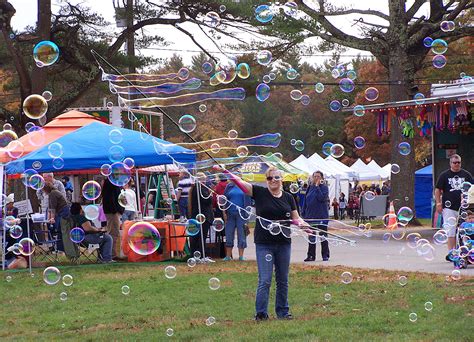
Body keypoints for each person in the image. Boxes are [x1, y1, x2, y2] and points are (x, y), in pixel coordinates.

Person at [218, 165, 308, 321]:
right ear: (266, 180)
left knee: (282, 279)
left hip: (283, 242)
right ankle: (261, 314)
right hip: (264, 243)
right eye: (269, 178)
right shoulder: (259, 192)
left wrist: (303, 224)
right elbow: (241, 183)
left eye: (276, 177)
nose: (273, 180)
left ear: (282, 179)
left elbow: (295, 217)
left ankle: (283, 312)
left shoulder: (288, 197)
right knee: (265, 279)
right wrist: (226, 172)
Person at [434, 154, 473, 260]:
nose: (456, 164)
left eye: (458, 162)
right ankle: (451, 253)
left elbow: (471, 189)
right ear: (450, 163)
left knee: (465, 229)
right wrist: (438, 203)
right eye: (454, 162)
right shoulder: (444, 175)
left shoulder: (466, 175)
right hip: (449, 207)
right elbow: (438, 189)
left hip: (464, 207)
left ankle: (465, 251)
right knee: (450, 231)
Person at [302, 171, 330, 262]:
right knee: (311, 237)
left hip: (321, 216)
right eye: (314, 176)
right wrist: (303, 212)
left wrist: (318, 187)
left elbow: (321, 198)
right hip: (311, 216)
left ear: (322, 178)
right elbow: (306, 201)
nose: (316, 178)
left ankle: (325, 255)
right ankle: (311, 255)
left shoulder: (324, 188)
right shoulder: (310, 187)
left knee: (323, 236)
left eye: (318, 176)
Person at [222, 180, 251, 261]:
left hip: (242, 214)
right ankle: (228, 256)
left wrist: (247, 216)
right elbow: (224, 200)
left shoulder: (245, 186)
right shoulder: (229, 186)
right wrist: (224, 212)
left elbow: (249, 201)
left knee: (242, 235)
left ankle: (241, 256)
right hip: (230, 214)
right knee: (228, 234)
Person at [43, 183, 73, 255]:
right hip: (62, 212)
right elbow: (50, 208)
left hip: (63, 213)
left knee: (61, 230)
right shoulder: (53, 193)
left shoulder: (53, 194)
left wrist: (52, 218)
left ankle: (62, 249)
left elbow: (53, 208)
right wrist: (50, 217)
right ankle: (60, 249)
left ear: (46, 189)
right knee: (60, 231)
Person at [188, 172, 214, 256]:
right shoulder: (201, 188)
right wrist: (210, 194)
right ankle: (200, 254)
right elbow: (207, 200)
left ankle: (196, 253)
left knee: (196, 236)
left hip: (197, 215)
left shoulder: (195, 188)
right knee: (201, 236)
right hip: (202, 216)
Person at [101, 178, 125, 259]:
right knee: (113, 232)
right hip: (112, 212)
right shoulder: (110, 183)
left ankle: (112, 254)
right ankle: (111, 254)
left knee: (114, 232)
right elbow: (111, 198)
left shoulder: (111, 182)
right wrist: (116, 210)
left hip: (112, 211)